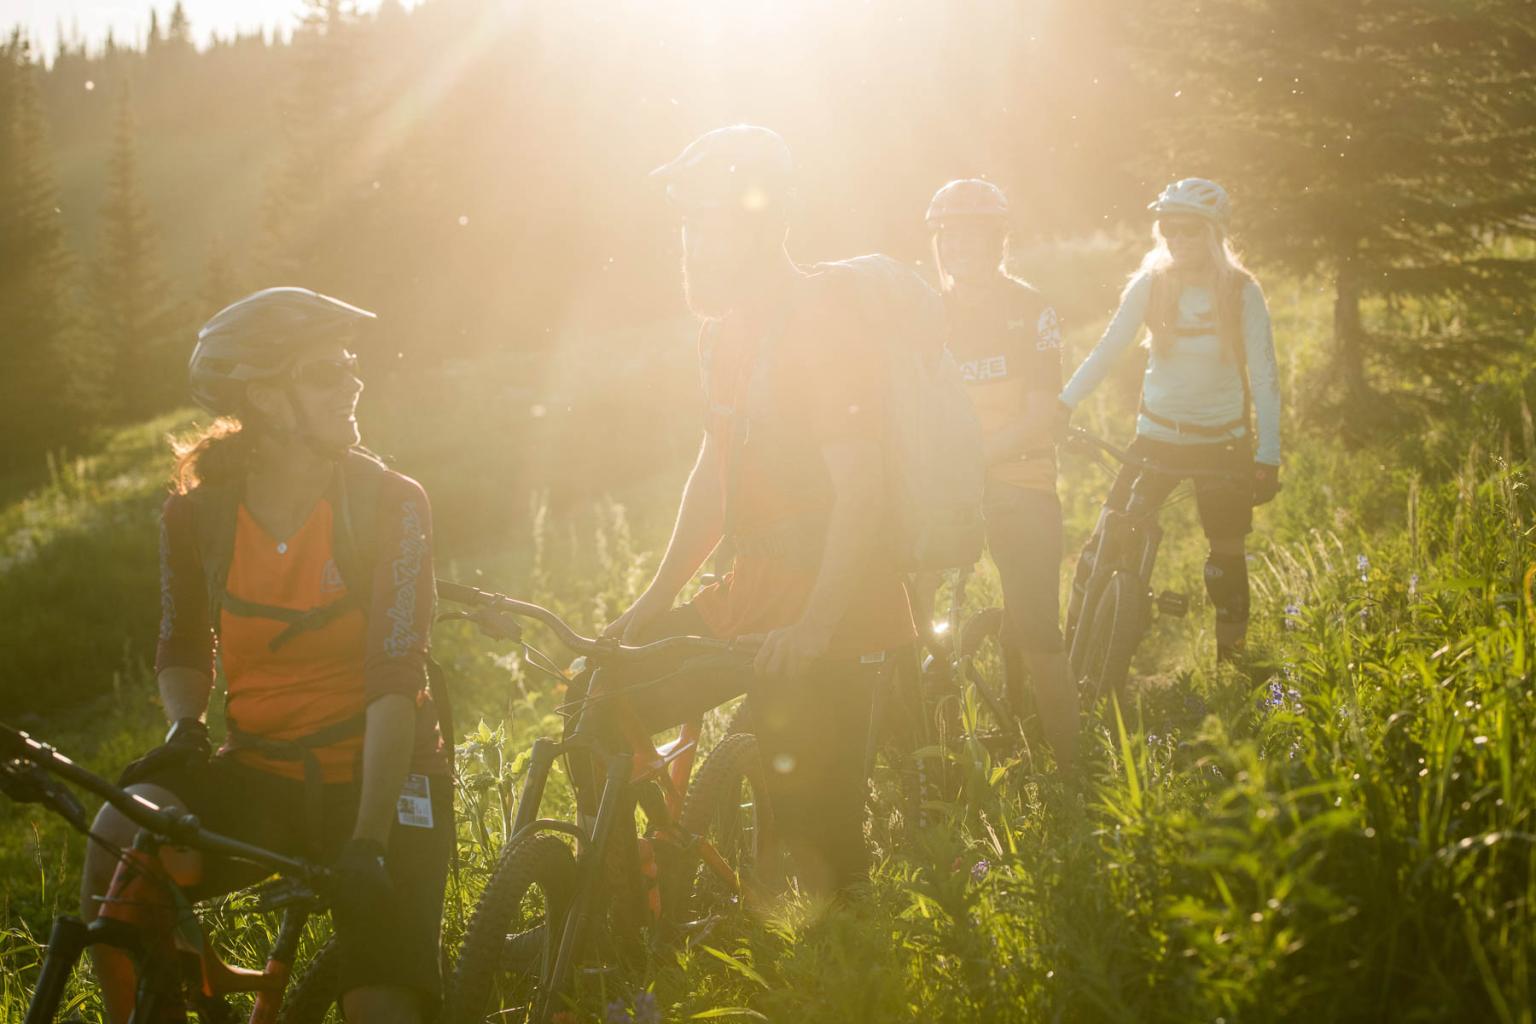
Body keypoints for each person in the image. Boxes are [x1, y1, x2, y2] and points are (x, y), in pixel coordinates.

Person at [81, 288, 450, 1024]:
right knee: (119, 836)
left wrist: (369, 842)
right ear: (266, 399)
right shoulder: (200, 510)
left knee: (381, 1011)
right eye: (325, 371)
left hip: (386, 785)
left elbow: (393, 683)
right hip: (262, 775)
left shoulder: (390, 504)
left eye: (351, 364)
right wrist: (186, 728)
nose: (353, 382)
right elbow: (185, 640)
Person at [591, 124, 915, 899]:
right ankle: (627, 911)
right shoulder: (722, 333)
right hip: (749, 597)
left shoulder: (822, 323)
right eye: (685, 223)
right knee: (599, 698)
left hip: (839, 619)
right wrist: (655, 598)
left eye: (704, 221)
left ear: (758, 222)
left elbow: (863, 489)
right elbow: (715, 470)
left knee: (816, 864)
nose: (689, 242)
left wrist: (814, 629)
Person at [1057, 178, 1282, 663]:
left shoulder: (1243, 293)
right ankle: (1068, 652)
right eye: (1168, 229)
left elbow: (1265, 377)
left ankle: (1235, 663)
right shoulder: (1152, 284)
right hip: (1157, 438)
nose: (1177, 240)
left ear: (1214, 233)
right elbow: (1107, 349)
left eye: (1190, 230)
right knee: (1104, 542)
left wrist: (1268, 457)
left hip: (1223, 444)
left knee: (1225, 557)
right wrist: (1063, 404)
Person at [917, 178, 1078, 771]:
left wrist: (972, 458)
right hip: (948, 485)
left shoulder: (1030, 309)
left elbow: (1040, 416)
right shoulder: (927, 314)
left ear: (997, 239)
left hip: (1019, 479)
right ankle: (932, 760)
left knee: (1038, 630)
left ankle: (1073, 776)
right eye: (947, 235)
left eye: (971, 235)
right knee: (912, 616)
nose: (958, 246)